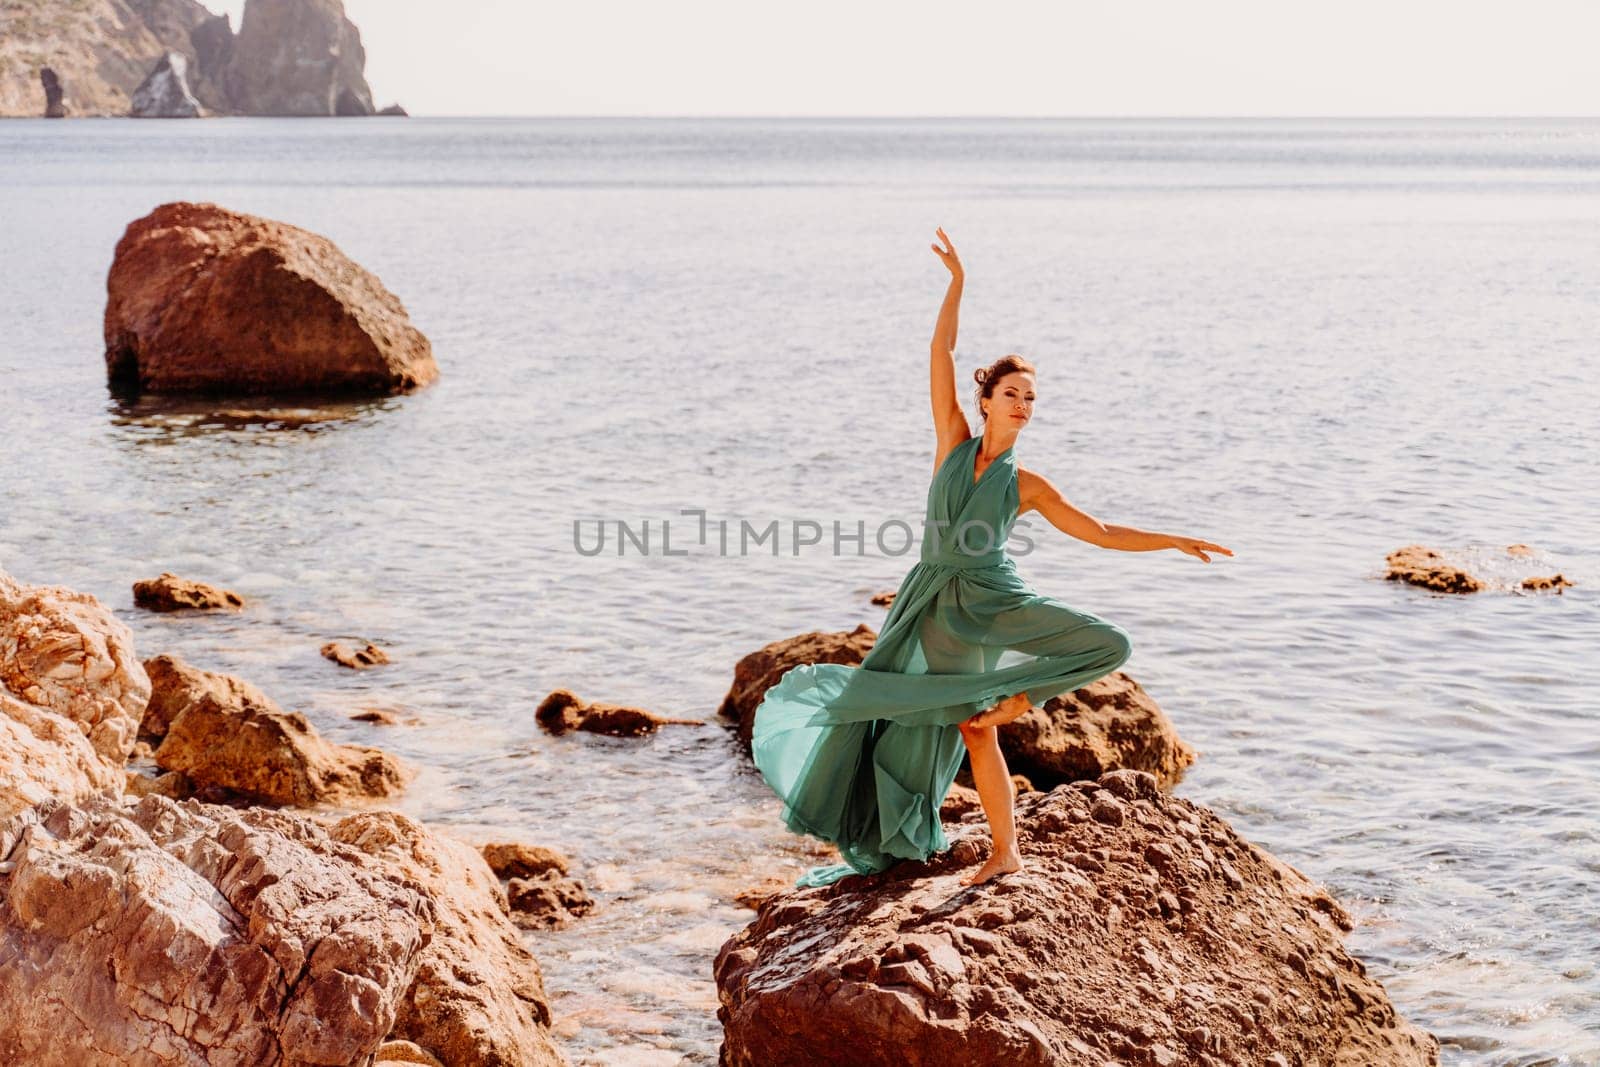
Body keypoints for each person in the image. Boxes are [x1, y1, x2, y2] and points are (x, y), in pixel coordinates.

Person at [750, 227, 1233, 889]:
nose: (1024, 404)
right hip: (927, 603)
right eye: (1013, 393)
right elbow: (940, 349)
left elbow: (1096, 529)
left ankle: (1009, 813)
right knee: (881, 711)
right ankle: (902, 832)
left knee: (1088, 657)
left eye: (1032, 397)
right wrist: (957, 285)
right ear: (986, 400)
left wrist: (1172, 538)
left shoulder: (1026, 484)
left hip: (989, 603)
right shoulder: (951, 439)